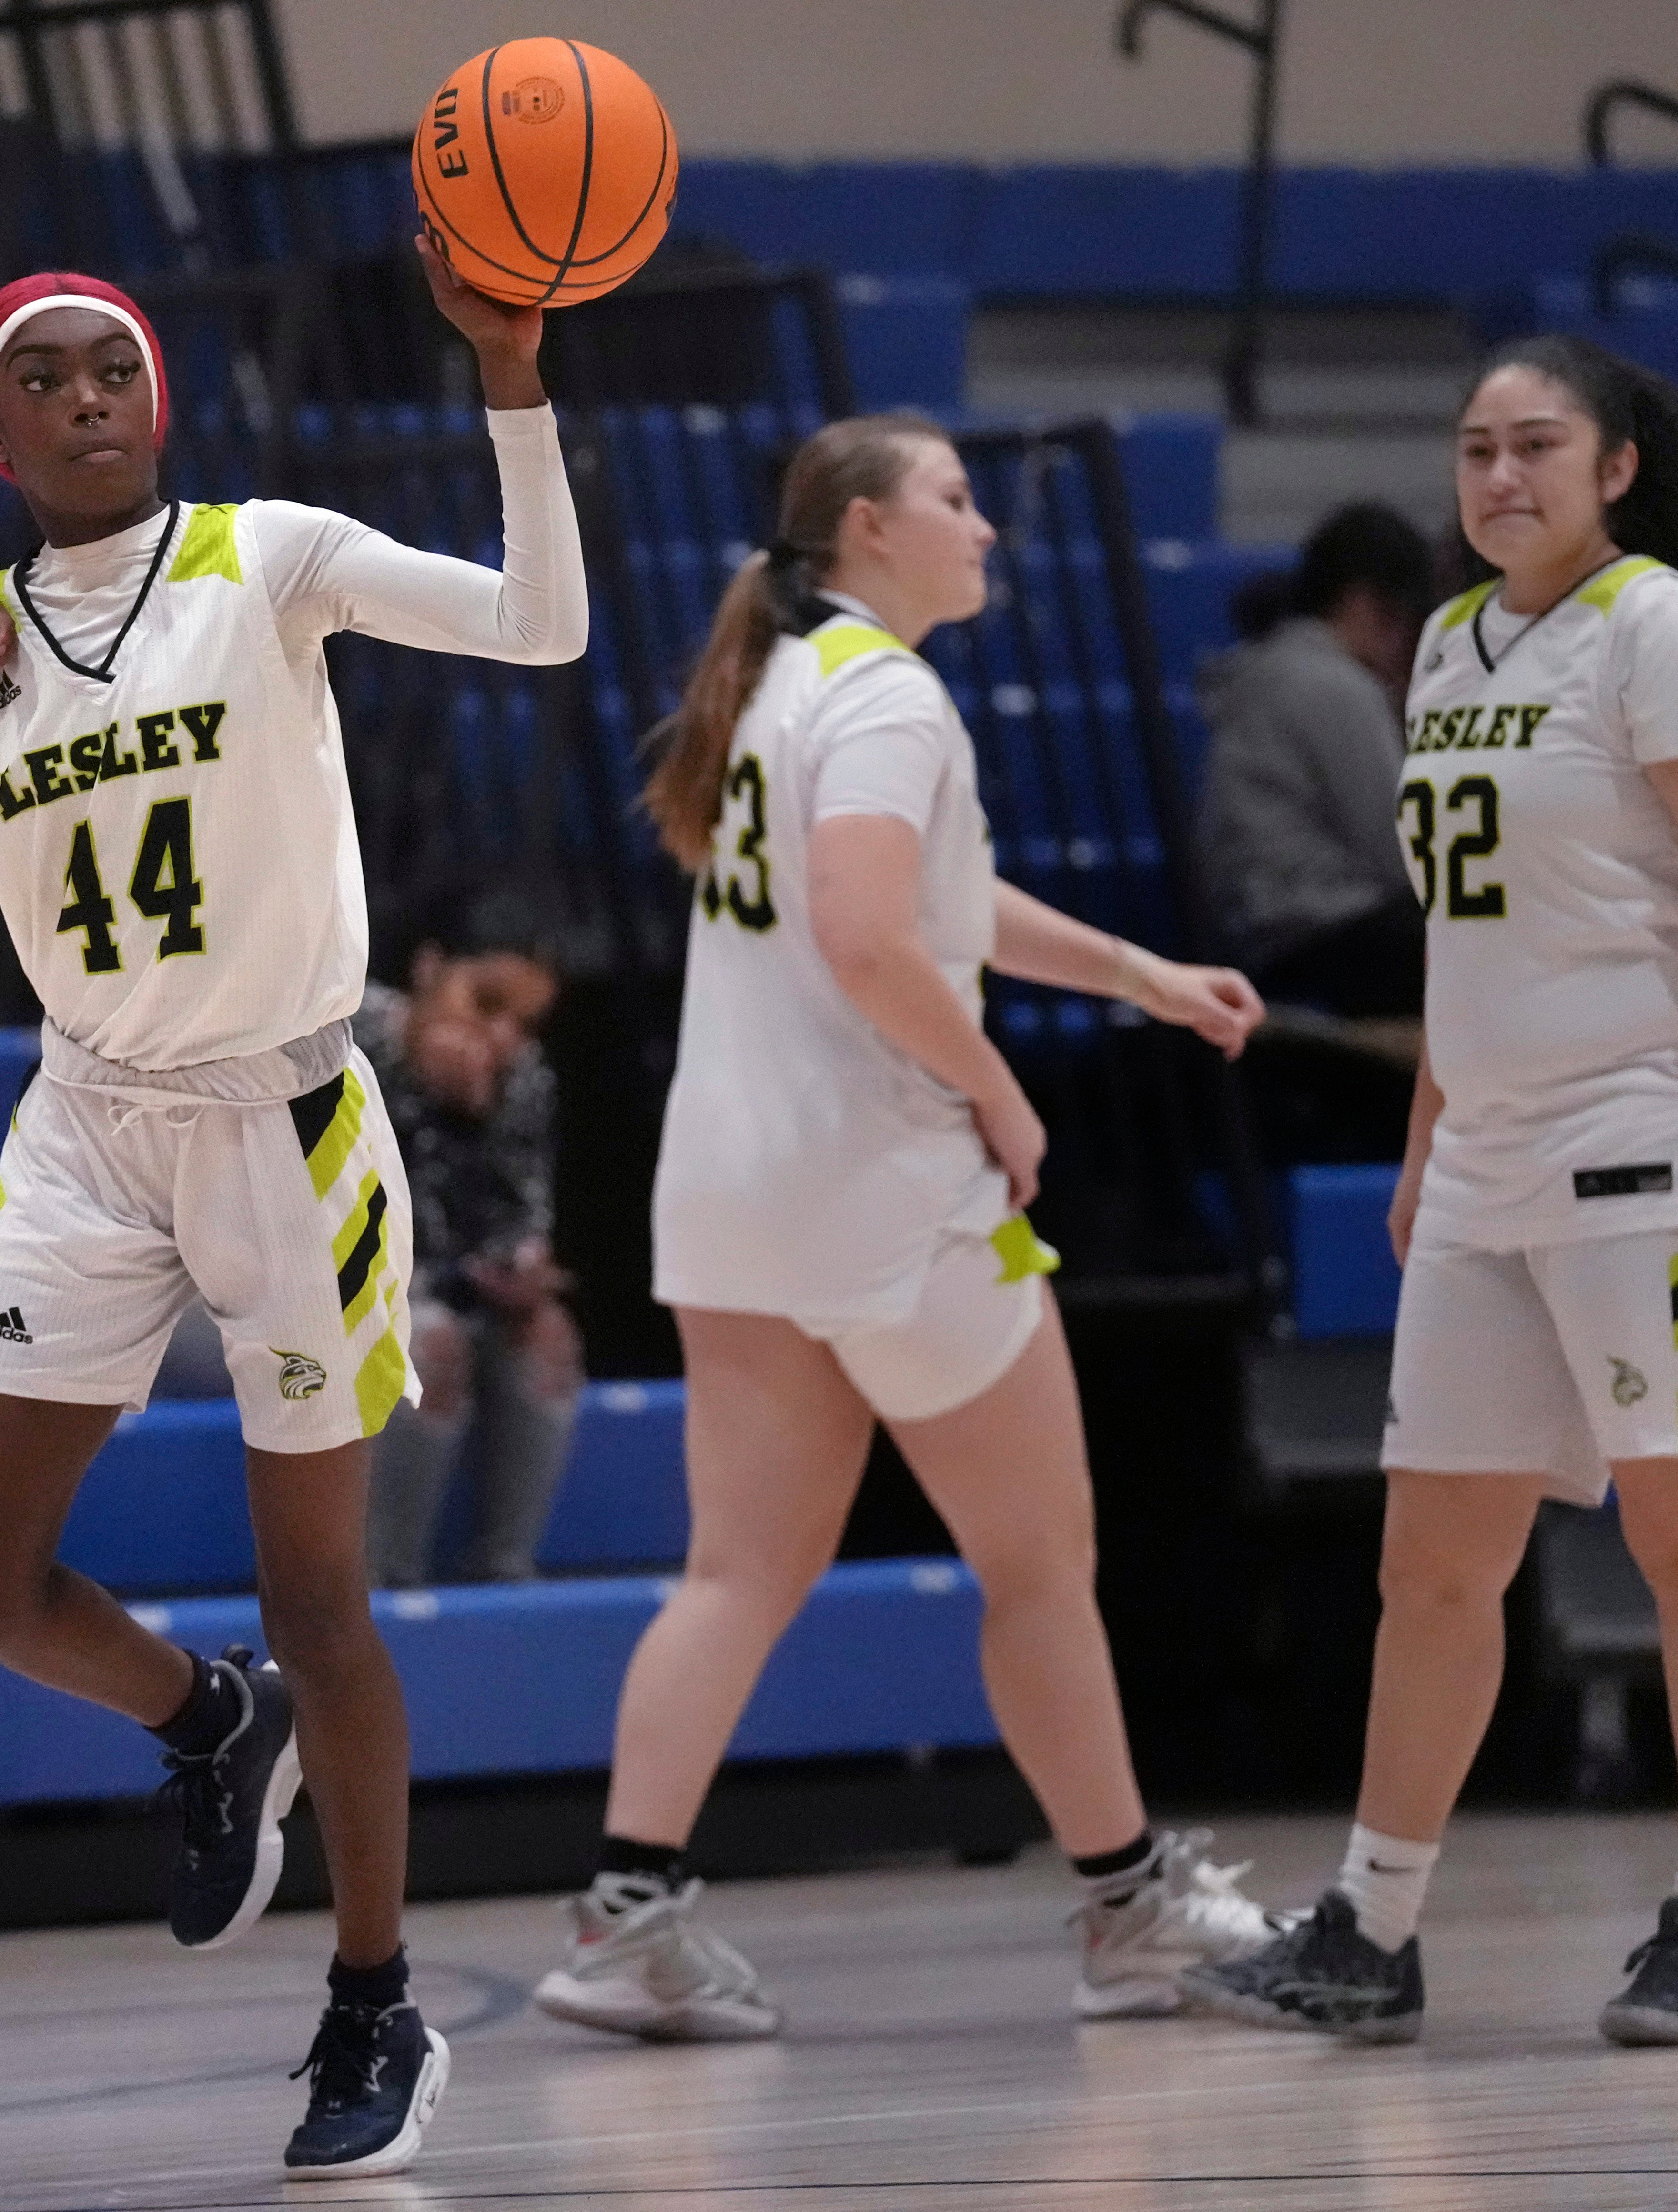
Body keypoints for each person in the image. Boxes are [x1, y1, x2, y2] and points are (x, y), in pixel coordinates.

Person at [0, 248, 585, 2178]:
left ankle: (375, 2004)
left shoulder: (269, 557)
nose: (88, 391)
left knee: (323, 1590)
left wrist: (509, 383)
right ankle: (209, 1723)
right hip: (84, 1127)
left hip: (285, 1128)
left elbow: (540, 625)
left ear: (160, 402)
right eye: (43, 372)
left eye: (113, 362)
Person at [528, 411, 1284, 2044]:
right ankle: (1128, 1905)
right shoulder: (884, 694)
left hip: (730, 1191)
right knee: (1038, 1565)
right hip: (883, 1190)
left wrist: (1137, 975)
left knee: (729, 1573)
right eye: (952, 499)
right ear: (866, 530)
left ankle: (620, 1916)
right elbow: (875, 936)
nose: (984, 529)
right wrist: (1002, 1092)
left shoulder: (780, 690)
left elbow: (925, 904)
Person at [1185, 335, 1678, 2048]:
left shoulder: (1667, 632)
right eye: (1477, 450)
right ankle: (1371, 1923)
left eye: (1537, 447)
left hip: (1672, 1144)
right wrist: (1431, 1135)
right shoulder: (1445, 644)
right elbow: (1461, 931)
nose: (1501, 477)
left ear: (1617, 467)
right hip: (1496, 1157)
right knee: (1432, 1560)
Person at [357, 921, 579, 1588]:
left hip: (440, 1285)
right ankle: (380, 1581)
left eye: (526, 1022)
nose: (505, 1037)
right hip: (327, 1286)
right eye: (486, 1004)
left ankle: (505, 1569)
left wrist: (520, 1268)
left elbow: (520, 1214)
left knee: (548, 1336)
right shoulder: (343, 1041)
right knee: (432, 1344)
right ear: (429, 968)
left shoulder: (521, 1079)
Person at [1200, 500, 1437, 1024]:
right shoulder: (1331, 684)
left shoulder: (1277, 668)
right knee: (1483, 936)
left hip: (1274, 929)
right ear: (1367, 604)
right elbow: (1402, 848)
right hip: (1312, 933)